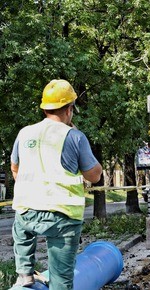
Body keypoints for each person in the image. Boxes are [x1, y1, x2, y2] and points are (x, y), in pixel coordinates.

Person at [10, 79, 102, 289]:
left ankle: (25, 273)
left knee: (21, 232)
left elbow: (15, 167)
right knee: (61, 280)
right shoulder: (74, 136)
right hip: (61, 216)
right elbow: (94, 175)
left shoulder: (24, 133)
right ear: (70, 109)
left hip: (26, 211)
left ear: (45, 108)